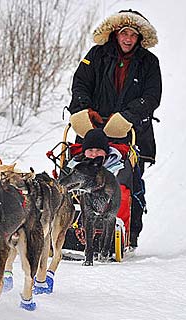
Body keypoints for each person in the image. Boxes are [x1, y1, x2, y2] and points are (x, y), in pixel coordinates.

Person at [67, 9, 161, 247]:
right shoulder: (96, 55)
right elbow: (80, 84)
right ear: (116, 34)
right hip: (93, 129)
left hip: (131, 130)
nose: (128, 39)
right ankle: (68, 225)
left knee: (130, 180)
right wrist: (83, 109)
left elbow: (152, 97)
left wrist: (128, 116)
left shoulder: (149, 63)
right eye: (124, 33)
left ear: (140, 38)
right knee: (78, 172)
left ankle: (130, 233)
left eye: (133, 34)